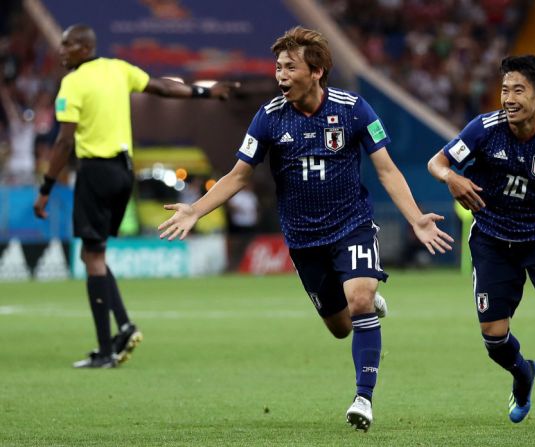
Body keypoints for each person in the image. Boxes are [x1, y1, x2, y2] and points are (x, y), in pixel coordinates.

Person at [158, 26, 454, 431]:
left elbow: (386, 170)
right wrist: (195, 210)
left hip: (352, 225)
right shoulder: (268, 118)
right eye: (277, 66)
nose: (280, 75)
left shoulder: (354, 109)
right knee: (340, 327)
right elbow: (238, 176)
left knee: (361, 299)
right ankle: (363, 303)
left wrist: (416, 217)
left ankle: (363, 398)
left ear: (315, 71)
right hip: (303, 239)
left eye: (289, 67)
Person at [33, 24, 239, 369]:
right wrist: (206, 93)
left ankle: (105, 351)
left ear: (85, 47)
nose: (62, 50)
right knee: (93, 254)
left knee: (93, 256)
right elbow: (161, 88)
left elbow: (64, 141)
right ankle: (123, 328)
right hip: (123, 173)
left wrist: (45, 189)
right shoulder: (119, 68)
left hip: (95, 171)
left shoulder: (72, 83)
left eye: (68, 44)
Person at [428, 55, 535, 430]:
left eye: (518, 90)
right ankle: (523, 374)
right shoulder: (483, 129)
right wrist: (451, 179)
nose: (508, 98)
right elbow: (437, 162)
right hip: (492, 240)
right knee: (493, 337)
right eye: (504, 89)